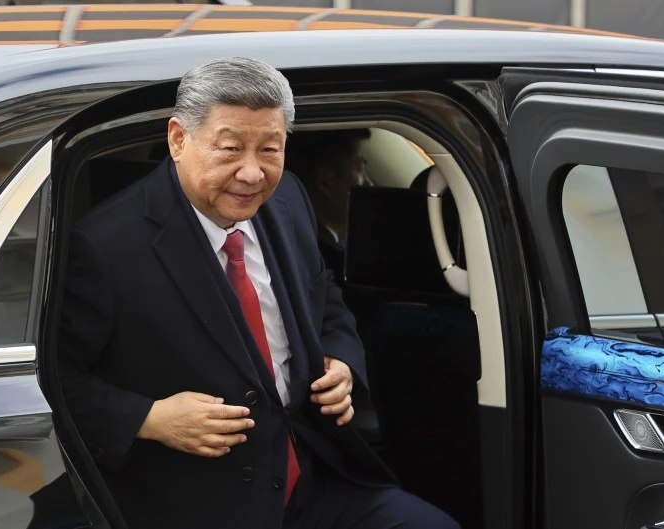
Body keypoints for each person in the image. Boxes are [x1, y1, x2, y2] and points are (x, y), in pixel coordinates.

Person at [58, 57, 459, 529]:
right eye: (230, 148)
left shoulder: (287, 199)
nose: (252, 173)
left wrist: (341, 362)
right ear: (178, 139)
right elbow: (57, 376)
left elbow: (324, 295)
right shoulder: (105, 245)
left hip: (312, 474)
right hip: (199, 500)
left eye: (270, 149)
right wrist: (150, 418)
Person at [285, 129, 370, 284]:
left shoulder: (292, 239)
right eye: (360, 169)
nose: (368, 184)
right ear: (325, 181)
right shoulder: (333, 265)